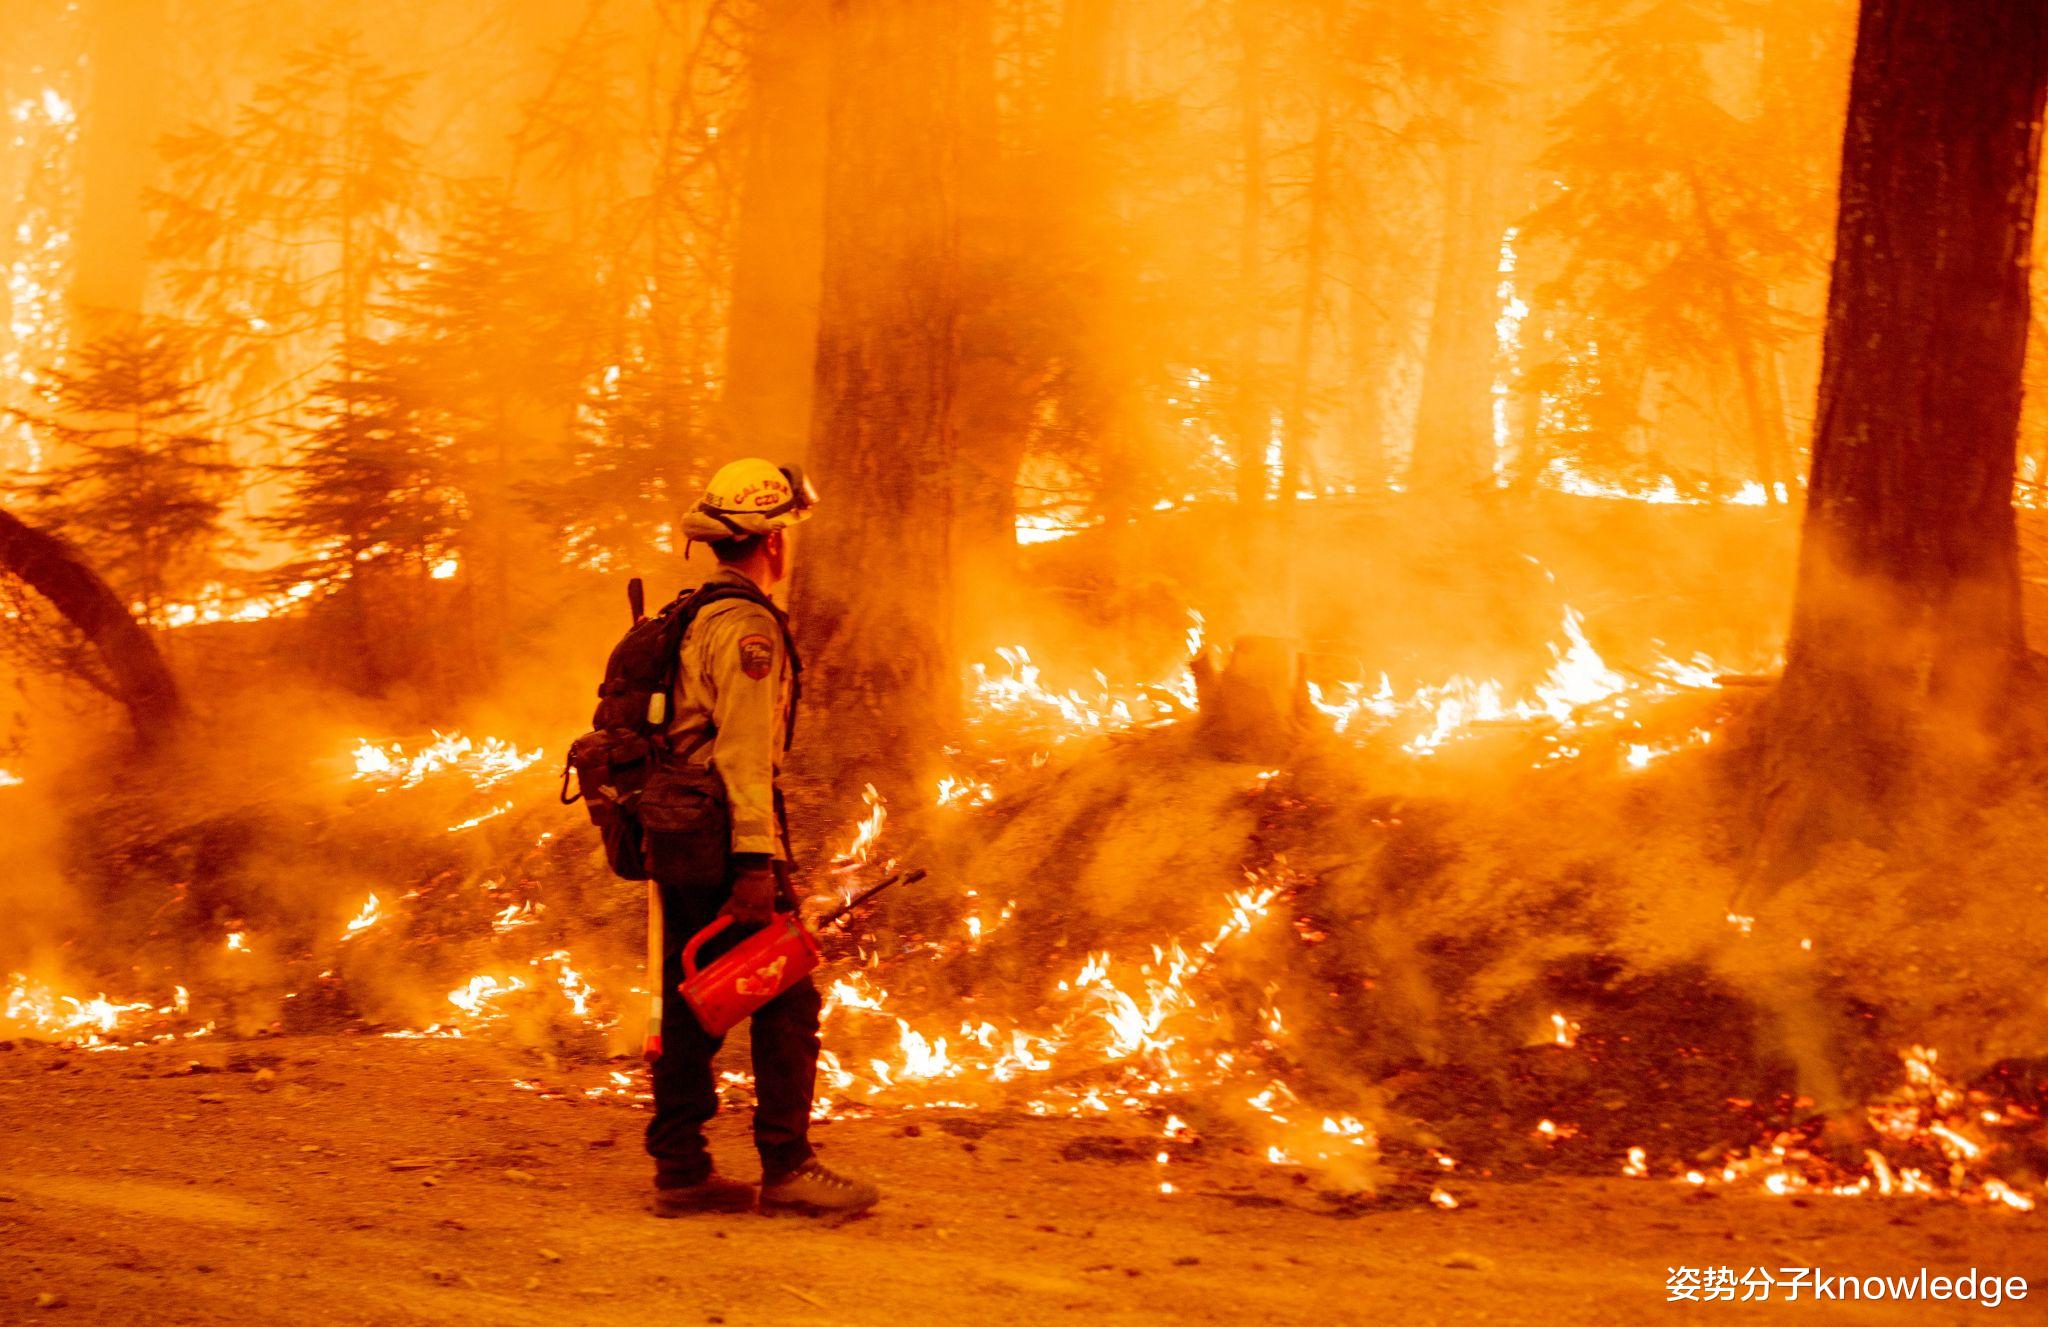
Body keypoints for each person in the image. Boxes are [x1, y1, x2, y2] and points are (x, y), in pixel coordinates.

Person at [644, 457, 880, 1217]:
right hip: (721, 841)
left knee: (687, 1001)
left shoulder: (694, 611)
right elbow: (743, 754)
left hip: (676, 833)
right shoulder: (747, 627)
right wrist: (754, 862)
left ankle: (680, 1166)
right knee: (787, 998)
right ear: (772, 542)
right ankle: (788, 1166)